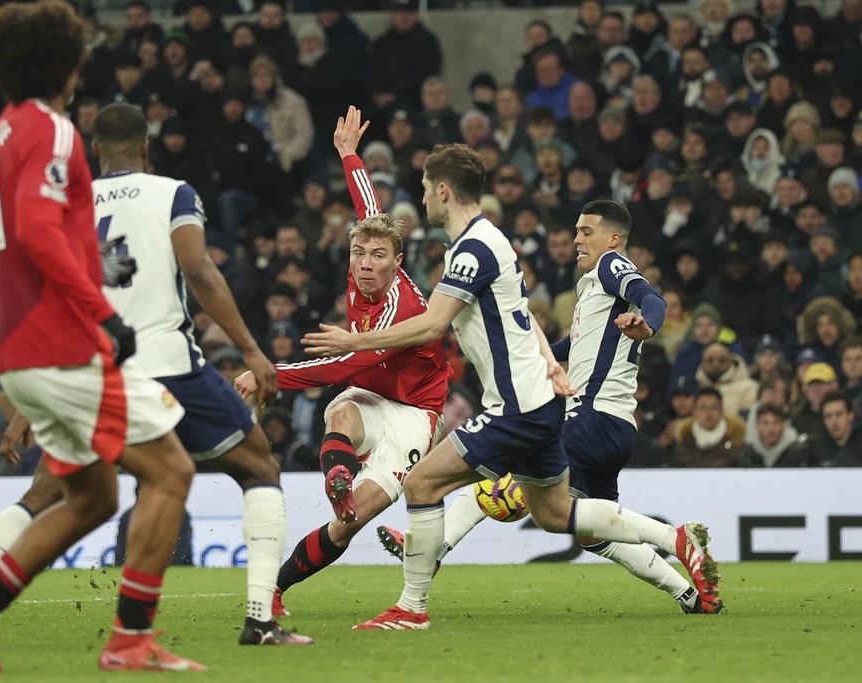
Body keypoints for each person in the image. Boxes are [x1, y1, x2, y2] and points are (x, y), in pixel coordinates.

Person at [0, 99, 316, 653]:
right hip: (167, 364)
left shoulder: (71, 206)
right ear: (147, 147)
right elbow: (197, 268)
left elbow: (54, 296)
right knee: (259, 467)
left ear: (94, 152)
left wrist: (29, 404)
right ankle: (258, 620)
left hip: (89, 370)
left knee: (44, 496)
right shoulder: (174, 193)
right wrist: (252, 351)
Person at [304, 144, 721, 630]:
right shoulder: (492, 242)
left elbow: (430, 326)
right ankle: (678, 544)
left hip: (519, 406)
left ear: (443, 191)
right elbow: (525, 321)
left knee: (422, 483)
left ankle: (412, 606)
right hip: (545, 403)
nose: (421, 200)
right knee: (557, 514)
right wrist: (553, 363)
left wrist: (354, 339)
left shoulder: (475, 249)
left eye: (423, 190)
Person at [0, 2, 203, 673]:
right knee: (171, 469)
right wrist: (96, 312)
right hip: (64, 344)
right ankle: (132, 640)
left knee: (96, 496)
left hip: (15, 355)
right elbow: (37, 225)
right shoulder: (51, 130)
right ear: (70, 64)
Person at [235, 106, 453, 617]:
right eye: (360, 254)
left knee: (352, 521)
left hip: (416, 415)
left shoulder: (405, 309)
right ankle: (334, 488)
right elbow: (369, 208)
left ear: (398, 262)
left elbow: (338, 369)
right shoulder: (364, 260)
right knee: (342, 413)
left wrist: (266, 376)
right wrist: (350, 155)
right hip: (371, 394)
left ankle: (318, 532)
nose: (367, 264)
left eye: (379, 256)